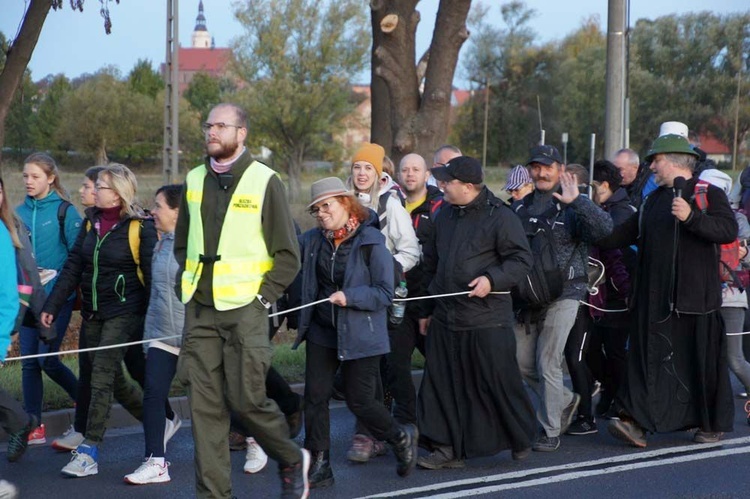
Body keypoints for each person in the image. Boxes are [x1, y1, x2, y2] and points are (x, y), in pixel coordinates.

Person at [174, 102, 309, 499]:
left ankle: (290, 457)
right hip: (200, 310)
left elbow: (288, 255)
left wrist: (262, 300)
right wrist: (193, 281)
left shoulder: (265, 180)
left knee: (247, 401)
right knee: (205, 412)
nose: (212, 131)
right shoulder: (194, 178)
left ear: (241, 133)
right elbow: (183, 243)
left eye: (221, 125)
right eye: (208, 124)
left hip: (246, 310)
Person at [600, 133, 736, 448]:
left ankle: (709, 423)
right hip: (653, 301)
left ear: (673, 161)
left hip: (695, 302)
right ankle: (636, 422)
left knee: (698, 365)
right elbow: (618, 236)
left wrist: (692, 218)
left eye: (655, 161)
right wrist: (581, 209)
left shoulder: (707, 194)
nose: (651, 167)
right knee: (648, 362)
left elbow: (726, 230)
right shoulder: (652, 201)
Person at [294, 177, 418, 488]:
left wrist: (351, 297)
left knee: (360, 401)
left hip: (361, 331)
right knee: (315, 397)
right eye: (316, 209)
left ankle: (399, 437)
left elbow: (384, 292)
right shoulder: (311, 240)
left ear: (345, 203)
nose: (321, 213)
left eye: (327, 206)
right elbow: (297, 275)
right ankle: (320, 464)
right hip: (322, 329)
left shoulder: (370, 240)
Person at [416, 156, 536, 469]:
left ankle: (521, 435)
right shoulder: (444, 214)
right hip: (445, 316)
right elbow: (431, 263)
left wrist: (491, 279)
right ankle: (446, 448)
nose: (441, 185)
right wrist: (426, 308)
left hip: (486, 317)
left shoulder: (501, 217)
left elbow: (522, 261)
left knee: (498, 383)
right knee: (440, 383)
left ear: (468, 187)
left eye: (447, 181)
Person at [41, 163, 155, 477]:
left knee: (102, 373)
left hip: (125, 313)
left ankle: (89, 451)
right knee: (110, 380)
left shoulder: (139, 227)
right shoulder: (90, 224)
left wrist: (146, 322)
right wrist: (52, 303)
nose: (92, 190)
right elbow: (74, 266)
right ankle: (156, 421)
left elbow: (153, 279)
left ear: (117, 193)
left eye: (100, 186)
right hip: (93, 313)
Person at [512, 145, 613, 452]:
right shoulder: (521, 208)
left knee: (548, 362)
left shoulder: (573, 207)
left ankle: (550, 430)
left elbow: (604, 230)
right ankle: (567, 401)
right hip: (529, 299)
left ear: (560, 169)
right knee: (519, 362)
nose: (541, 172)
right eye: (536, 167)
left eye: (547, 167)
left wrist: (580, 202)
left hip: (567, 293)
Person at [345, 142, 419, 462]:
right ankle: (379, 429)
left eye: (368, 169)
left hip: (378, 298)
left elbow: (411, 252)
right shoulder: (342, 201)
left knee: (373, 366)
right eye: (357, 167)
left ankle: (370, 434)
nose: (362, 174)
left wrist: (386, 273)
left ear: (379, 173)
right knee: (355, 367)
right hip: (346, 297)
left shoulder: (391, 205)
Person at [15, 153, 80, 446]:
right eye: (26, 176)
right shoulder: (16, 213)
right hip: (28, 299)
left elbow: (76, 259)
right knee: (29, 362)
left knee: (47, 361)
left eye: (35, 176)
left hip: (57, 299)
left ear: (51, 178)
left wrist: (57, 293)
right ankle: (34, 424)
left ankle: (85, 400)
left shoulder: (65, 212)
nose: (29, 182)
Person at [124, 184, 184, 485]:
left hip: (194, 335)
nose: (153, 211)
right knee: (153, 393)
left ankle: (253, 438)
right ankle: (156, 462)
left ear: (177, 211)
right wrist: (149, 337)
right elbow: (157, 295)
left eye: (158, 206)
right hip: (162, 333)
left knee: (219, 395)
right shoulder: (160, 244)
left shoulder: (195, 245)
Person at [391, 153, 442, 425]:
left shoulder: (439, 208)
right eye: (405, 169)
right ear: (398, 175)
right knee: (396, 363)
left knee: (438, 365)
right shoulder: (390, 204)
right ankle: (405, 420)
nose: (410, 174)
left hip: (430, 303)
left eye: (416, 169)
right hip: (398, 300)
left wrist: (430, 306)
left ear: (426, 175)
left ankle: (433, 418)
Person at [585, 161, 634, 422]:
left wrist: (624, 289)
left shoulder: (622, 212)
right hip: (598, 292)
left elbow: (613, 247)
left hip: (617, 292)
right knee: (592, 348)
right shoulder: (602, 208)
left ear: (603, 185)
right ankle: (609, 390)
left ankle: (617, 397)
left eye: (590, 185)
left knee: (615, 350)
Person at [0, 175, 38, 468]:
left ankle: (21, 422)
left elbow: (9, 297)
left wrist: (1, 340)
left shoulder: (2, 234)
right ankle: (21, 421)